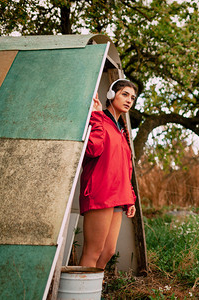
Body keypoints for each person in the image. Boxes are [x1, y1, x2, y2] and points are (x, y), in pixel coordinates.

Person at [79, 79, 138, 269]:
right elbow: (93, 150)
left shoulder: (122, 129)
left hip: (118, 197)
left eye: (133, 97)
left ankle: (92, 292)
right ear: (111, 95)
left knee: (108, 251)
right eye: (125, 94)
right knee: (93, 251)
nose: (129, 100)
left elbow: (125, 167)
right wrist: (95, 117)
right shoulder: (99, 119)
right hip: (100, 192)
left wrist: (130, 198)